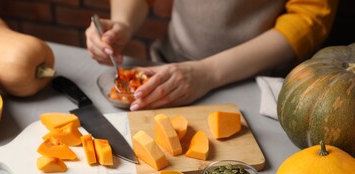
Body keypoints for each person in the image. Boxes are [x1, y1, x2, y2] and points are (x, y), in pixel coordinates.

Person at [85, 0, 338, 111]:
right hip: (169, 63)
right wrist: (122, 24)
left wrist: (208, 73)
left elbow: (310, 18)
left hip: (262, 85)